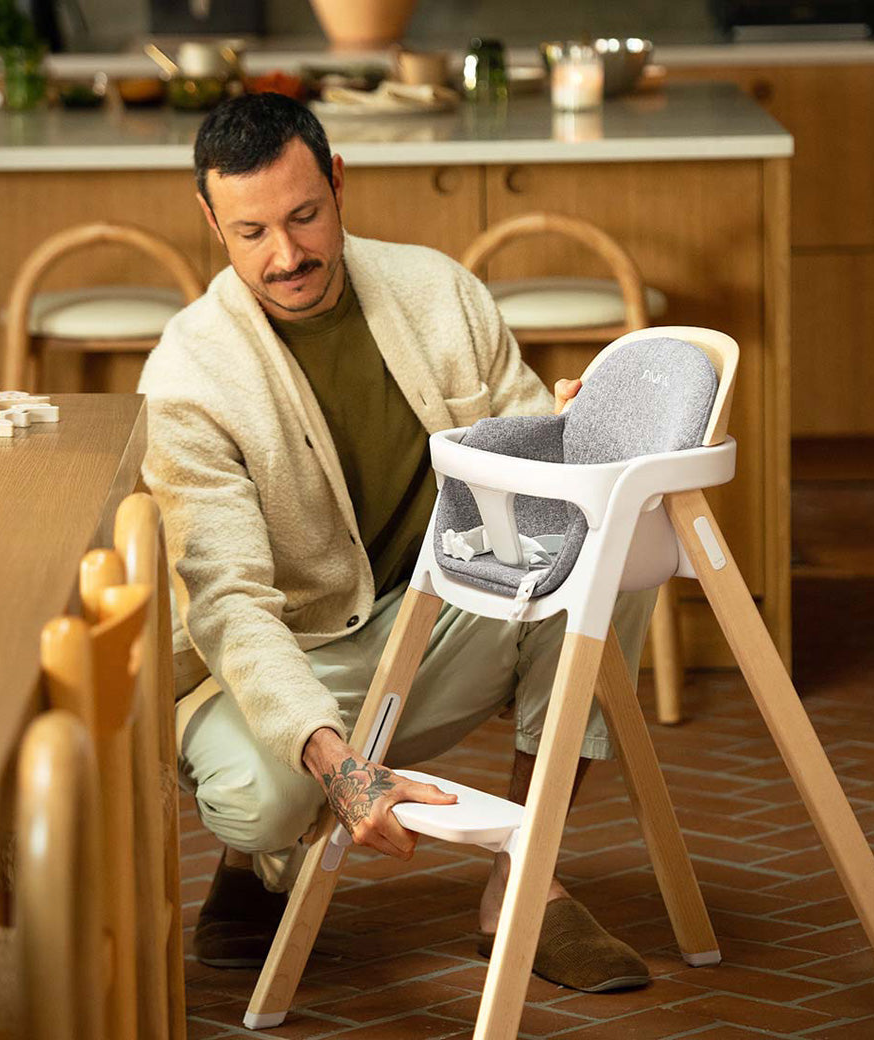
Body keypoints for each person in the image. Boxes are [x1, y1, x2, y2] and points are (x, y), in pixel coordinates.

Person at [138, 92, 656, 992]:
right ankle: (257, 859)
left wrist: (569, 442)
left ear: (339, 183)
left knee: (614, 554)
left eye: (305, 216)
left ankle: (523, 881)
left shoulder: (439, 290)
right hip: (286, 653)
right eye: (252, 231)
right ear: (212, 222)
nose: (287, 255)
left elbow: (528, 457)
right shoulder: (188, 376)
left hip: (437, 619)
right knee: (264, 802)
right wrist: (341, 770)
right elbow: (229, 603)